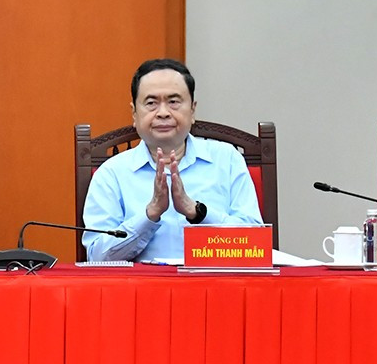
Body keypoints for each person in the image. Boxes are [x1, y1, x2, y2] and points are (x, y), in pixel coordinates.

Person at [81, 58, 264, 263]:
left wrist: (198, 213)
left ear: (192, 110)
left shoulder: (227, 160)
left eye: (174, 102)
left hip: (216, 288)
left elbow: (256, 245)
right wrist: (149, 216)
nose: (163, 113)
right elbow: (97, 256)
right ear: (134, 113)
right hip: (141, 291)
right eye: (151, 103)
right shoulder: (112, 173)